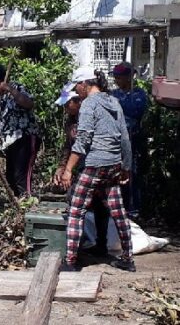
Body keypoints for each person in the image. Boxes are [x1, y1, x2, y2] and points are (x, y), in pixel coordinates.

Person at [54, 67, 135, 272]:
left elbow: (82, 141)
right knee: (118, 211)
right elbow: (125, 137)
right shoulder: (113, 101)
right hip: (113, 165)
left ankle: (70, 261)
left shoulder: (89, 104)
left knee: (76, 210)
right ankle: (128, 259)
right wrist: (126, 166)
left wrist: (68, 170)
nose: (77, 91)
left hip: (95, 164)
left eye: (77, 87)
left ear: (84, 84)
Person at [53, 83, 110, 258]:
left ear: (78, 101)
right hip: (82, 168)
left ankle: (98, 246)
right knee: (77, 202)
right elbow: (68, 147)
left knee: (99, 205)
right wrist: (62, 167)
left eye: (67, 103)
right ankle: (79, 245)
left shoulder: (91, 115)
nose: (64, 107)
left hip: (96, 166)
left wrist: (70, 169)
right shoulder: (71, 121)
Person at [0, 63, 41, 197]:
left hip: (24, 138)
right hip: (10, 143)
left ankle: (28, 207)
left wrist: (10, 90)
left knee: (21, 177)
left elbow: (29, 103)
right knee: (10, 178)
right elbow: (1, 122)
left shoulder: (17, 88)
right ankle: (19, 207)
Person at [111, 61, 148, 219]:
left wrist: (120, 107)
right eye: (116, 77)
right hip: (115, 141)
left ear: (129, 77)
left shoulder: (138, 94)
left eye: (120, 77)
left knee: (132, 173)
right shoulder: (113, 95)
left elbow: (136, 111)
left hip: (133, 141)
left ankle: (134, 209)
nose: (117, 80)